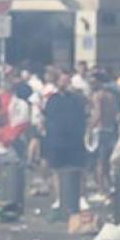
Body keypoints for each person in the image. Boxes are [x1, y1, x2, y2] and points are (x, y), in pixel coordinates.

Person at [44, 70, 88, 210]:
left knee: (79, 169)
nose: (65, 83)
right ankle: (59, 198)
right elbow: (48, 119)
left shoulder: (77, 99)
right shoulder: (52, 99)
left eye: (67, 80)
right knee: (57, 171)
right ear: (57, 82)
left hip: (74, 139)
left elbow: (83, 116)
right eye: (62, 80)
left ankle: (81, 197)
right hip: (57, 140)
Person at [88, 72, 119, 197]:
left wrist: (89, 128)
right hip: (110, 129)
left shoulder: (97, 96)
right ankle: (110, 186)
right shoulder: (111, 96)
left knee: (99, 162)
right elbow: (115, 112)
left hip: (99, 130)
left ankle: (101, 190)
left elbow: (98, 114)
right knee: (106, 161)